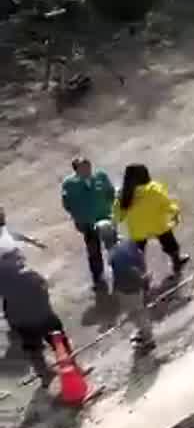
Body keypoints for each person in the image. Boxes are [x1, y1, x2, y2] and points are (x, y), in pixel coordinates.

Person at [0, 234, 64, 386]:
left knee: (33, 349)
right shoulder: (30, 275)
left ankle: (44, 375)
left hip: (19, 320)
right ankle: (70, 365)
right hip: (41, 315)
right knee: (59, 340)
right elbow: (43, 290)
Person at [113, 164, 189, 279]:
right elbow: (166, 204)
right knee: (171, 245)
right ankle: (176, 263)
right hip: (158, 225)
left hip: (138, 230)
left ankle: (141, 276)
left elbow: (118, 216)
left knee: (138, 253)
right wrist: (175, 212)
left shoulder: (123, 195)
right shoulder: (154, 189)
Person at [60, 157, 117, 297]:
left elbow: (110, 193)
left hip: (105, 218)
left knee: (113, 245)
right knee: (93, 251)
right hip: (87, 224)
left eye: (88, 166)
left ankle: (119, 270)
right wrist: (79, 216)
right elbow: (67, 204)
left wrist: (111, 210)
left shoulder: (100, 176)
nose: (87, 170)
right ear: (76, 171)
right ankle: (98, 278)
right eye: (83, 168)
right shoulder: (69, 185)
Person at [101, 221, 154, 354]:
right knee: (138, 310)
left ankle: (147, 339)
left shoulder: (114, 254)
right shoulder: (127, 242)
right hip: (137, 283)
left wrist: (140, 280)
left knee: (136, 313)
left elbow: (127, 272)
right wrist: (144, 274)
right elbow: (140, 256)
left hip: (128, 288)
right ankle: (144, 332)